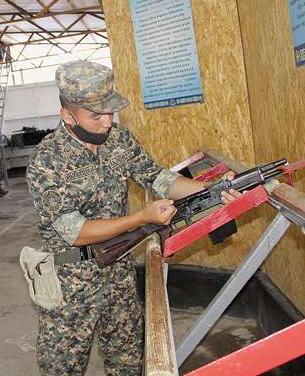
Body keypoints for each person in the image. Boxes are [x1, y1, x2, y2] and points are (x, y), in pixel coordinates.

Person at [25, 60, 241, 375]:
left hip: (120, 271)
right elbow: (76, 232)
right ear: (67, 115)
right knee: (62, 368)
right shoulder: (46, 162)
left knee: (127, 362)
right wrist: (141, 218)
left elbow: (158, 178)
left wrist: (213, 189)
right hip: (71, 281)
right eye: (95, 115)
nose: (107, 122)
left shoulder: (119, 140)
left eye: (110, 111)